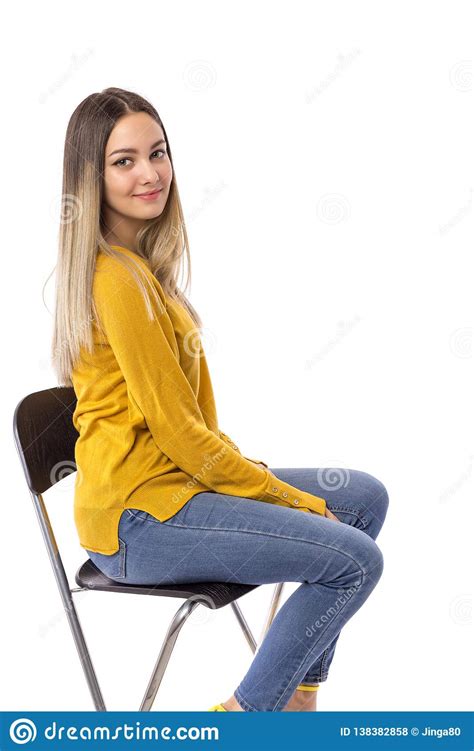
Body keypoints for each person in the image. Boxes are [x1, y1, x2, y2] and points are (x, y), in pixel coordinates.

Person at [51, 87, 389, 712]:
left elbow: (183, 438)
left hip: (174, 489)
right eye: (123, 161)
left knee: (363, 498)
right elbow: (182, 435)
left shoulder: (141, 267)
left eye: (158, 152)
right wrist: (294, 500)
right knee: (353, 560)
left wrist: (268, 489)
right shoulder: (117, 282)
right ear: (90, 178)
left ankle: (292, 701)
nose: (149, 173)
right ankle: (247, 717)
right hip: (138, 523)